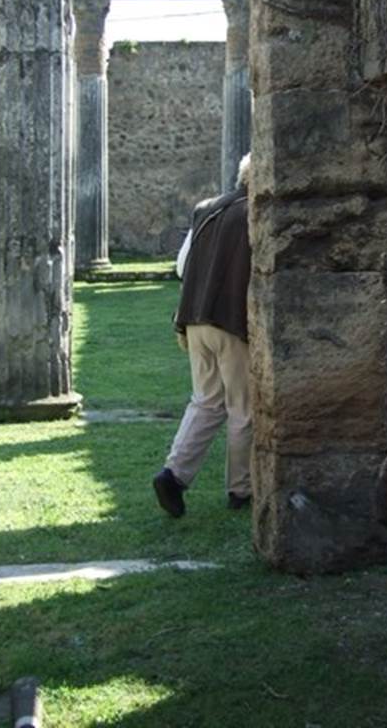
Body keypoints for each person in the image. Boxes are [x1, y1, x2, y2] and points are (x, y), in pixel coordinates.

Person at [153, 153, 252, 518]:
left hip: (194, 319)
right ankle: (242, 489)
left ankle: (174, 475)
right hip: (229, 320)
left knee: (206, 401)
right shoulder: (251, 213)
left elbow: (182, 266)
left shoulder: (207, 209)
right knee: (243, 408)